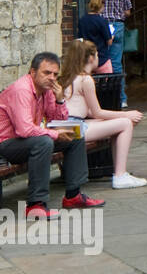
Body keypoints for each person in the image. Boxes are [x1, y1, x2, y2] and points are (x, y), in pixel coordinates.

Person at [0, 52, 102, 218]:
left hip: (27, 141)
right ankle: (35, 204)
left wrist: (60, 99)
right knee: (44, 142)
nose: (52, 78)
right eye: (46, 73)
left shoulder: (46, 90)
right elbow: (24, 129)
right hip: (6, 144)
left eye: (55, 74)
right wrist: (54, 134)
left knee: (74, 135)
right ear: (33, 72)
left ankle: (73, 195)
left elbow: (56, 120)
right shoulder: (22, 90)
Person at [58, 39, 146, 189]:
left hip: (68, 124)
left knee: (117, 124)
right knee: (125, 124)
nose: (98, 58)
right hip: (76, 127)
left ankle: (119, 173)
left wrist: (121, 115)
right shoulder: (86, 79)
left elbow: (92, 113)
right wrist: (126, 115)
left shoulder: (68, 78)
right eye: (97, 54)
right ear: (91, 58)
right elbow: (97, 112)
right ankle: (120, 175)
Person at [89, 0, 132, 101]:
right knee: (116, 63)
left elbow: (90, 8)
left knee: (100, 62)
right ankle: (121, 98)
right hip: (118, 26)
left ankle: (103, 97)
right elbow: (128, 12)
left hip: (100, 27)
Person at [77, 0, 114, 72]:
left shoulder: (82, 20)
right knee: (107, 83)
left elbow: (80, 39)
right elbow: (109, 41)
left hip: (87, 60)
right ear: (101, 4)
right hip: (102, 58)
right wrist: (112, 36)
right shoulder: (102, 21)